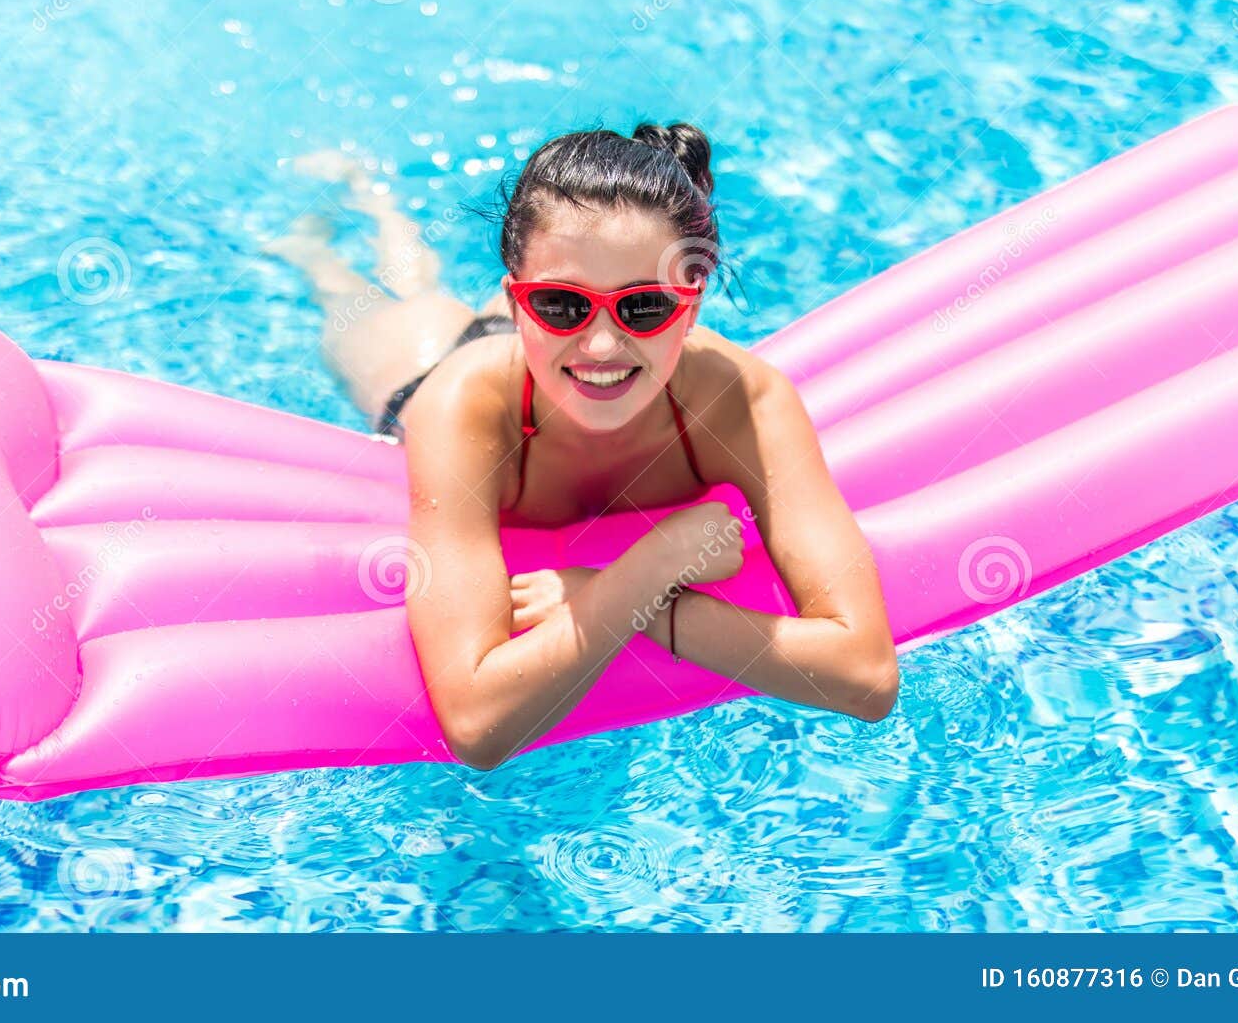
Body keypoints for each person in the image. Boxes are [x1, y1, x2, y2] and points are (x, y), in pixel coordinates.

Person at [264, 122, 898, 771]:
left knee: (543, 287)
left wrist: (603, 590)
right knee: (366, 298)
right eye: (562, 305)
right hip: (436, 369)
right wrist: (654, 566)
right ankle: (348, 217)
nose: (603, 345)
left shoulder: (745, 402)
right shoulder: (457, 407)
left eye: (646, 307)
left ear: (692, 306)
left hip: (544, 356)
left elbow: (868, 675)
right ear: (517, 304)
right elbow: (477, 724)